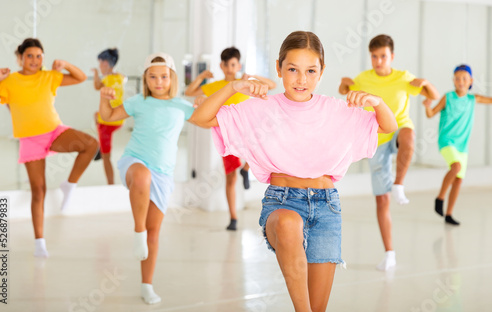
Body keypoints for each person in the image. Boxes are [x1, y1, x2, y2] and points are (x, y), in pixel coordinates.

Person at [189, 31, 397, 312]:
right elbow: (200, 117)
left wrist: (377, 102)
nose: (301, 79)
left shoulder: (336, 110)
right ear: (279, 68)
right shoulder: (261, 108)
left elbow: (388, 126)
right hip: (283, 201)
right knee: (289, 224)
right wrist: (233, 87)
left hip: (327, 208)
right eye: (292, 70)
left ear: (321, 72)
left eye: (311, 71)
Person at [99, 52, 195, 305]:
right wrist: (103, 98)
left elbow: (209, 121)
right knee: (141, 177)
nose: (158, 81)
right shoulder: (138, 101)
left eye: (164, 76)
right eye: (152, 77)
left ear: (172, 78)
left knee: (154, 235)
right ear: (145, 79)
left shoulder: (182, 105)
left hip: (164, 174)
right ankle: (137, 230)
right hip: (135, 161)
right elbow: (108, 116)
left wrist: (210, 100)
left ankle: (146, 285)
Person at [338, 34, 440, 271]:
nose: (378, 61)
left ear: (391, 57)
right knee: (382, 201)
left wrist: (425, 83)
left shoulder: (403, 77)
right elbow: (345, 90)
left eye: (383, 56)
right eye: (374, 56)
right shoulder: (363, 79)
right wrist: (344, 84)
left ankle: (399, 184)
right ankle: (390, 253)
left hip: (399, 130)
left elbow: (434, 96)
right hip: (377, 138)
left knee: (409, 135)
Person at [0, 38, 98, 258]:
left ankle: (69, 184)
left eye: (39, 56)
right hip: (30, 141)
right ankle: (39, 241)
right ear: (20, 57)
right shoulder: (10, 82)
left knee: (90, 144)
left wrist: (65, 64)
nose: (34, 60)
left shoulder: (49, 76)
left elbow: (79, 78)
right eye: (30, 55)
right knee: (38, 191)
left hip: (53, 132)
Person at [185, 47, 276, 231]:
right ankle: (233, 217)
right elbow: (189, 92)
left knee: (262, 144)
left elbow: (272, 85)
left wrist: (252, 77)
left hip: (246, 130)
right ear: (221, 65)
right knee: (230, 179)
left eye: (233, 64)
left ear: (238, 65)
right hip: (226, 134)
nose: (229, 68)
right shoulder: (215, 86)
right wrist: (202, 75)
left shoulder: (244, 83)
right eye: (226, 64)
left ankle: (246, 168)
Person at [423, 64, 492, 226]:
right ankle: (439, 198)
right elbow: (431, 114)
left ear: (470, 81)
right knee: (456, 167)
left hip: (462, 145)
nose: (461, 81)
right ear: (453, 80)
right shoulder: (448, 97)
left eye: (464, 78)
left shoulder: (472, 99)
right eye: (457, 78)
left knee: (459, 180)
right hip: (447, 141)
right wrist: (427, 107)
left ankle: (449, 214)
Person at [91, 48, 126, 184]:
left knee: (106, 157)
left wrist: (95, 74)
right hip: (119, 118)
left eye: (100, 64)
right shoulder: (120, 77)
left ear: (105, 63)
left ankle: (110, 184)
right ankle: (100, 146)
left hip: (107, 123)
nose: (99, 67)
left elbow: (96, 86)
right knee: (95, 115)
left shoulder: (107, 79)